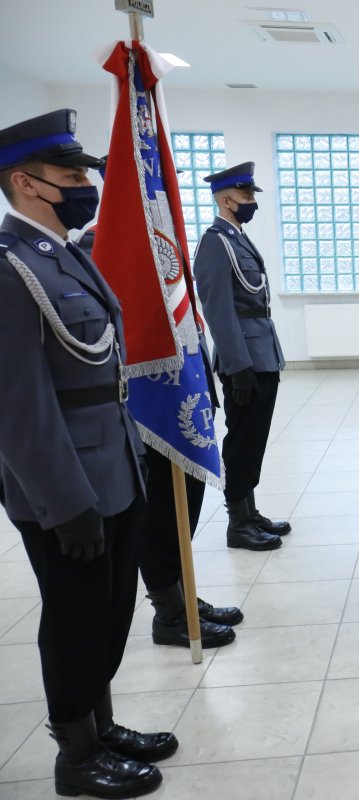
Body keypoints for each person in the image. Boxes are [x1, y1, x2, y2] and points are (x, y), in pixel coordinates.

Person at [0, 109, 173, 798]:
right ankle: (75, 755)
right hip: (65, 482)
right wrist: (64, 501)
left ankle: (100, 725)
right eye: (70, 175)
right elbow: (18, 405)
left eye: (83, 175)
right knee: (74, 619)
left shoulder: (65, 255)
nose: (84, 185)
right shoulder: (12, 270)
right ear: (25, 182)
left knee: (108, 611)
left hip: (114, 466)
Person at [77, 187, 241, 649]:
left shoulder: (161, 242)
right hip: (150, 410)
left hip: (182, 398)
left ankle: (184, 596)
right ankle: (169, 612)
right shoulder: (101, 246)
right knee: (161, 518)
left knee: (183, 509)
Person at [193, 162, 290, 550]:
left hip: (262, 351)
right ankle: (238, 523)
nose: (252, 203)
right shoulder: (215, 242)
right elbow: (218, 309)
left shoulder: (237, 238)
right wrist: (238, 365)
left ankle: (250, 511)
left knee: (255, 437)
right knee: (242, 440)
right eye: (247, 196)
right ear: (226, 198)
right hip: (244, 359)